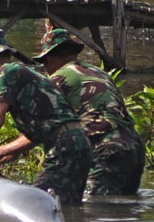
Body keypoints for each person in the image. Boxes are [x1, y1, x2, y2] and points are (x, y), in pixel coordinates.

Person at [0, 29, 93, 205]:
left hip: (64, 146)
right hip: (80, 144)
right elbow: (50, 124)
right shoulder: (24, 72)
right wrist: (11, 151)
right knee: (65, 208)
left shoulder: (4, 73)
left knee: (37, 204)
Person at [31, 29, 145, 195]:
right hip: (135, 145)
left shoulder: (58, 78)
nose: (46, 69)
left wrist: (6, 150)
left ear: (49, 58)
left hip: (107, 148)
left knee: (94, 207)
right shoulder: (101, 73)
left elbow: (45, 127)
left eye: (44, 63)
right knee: (126, 208)